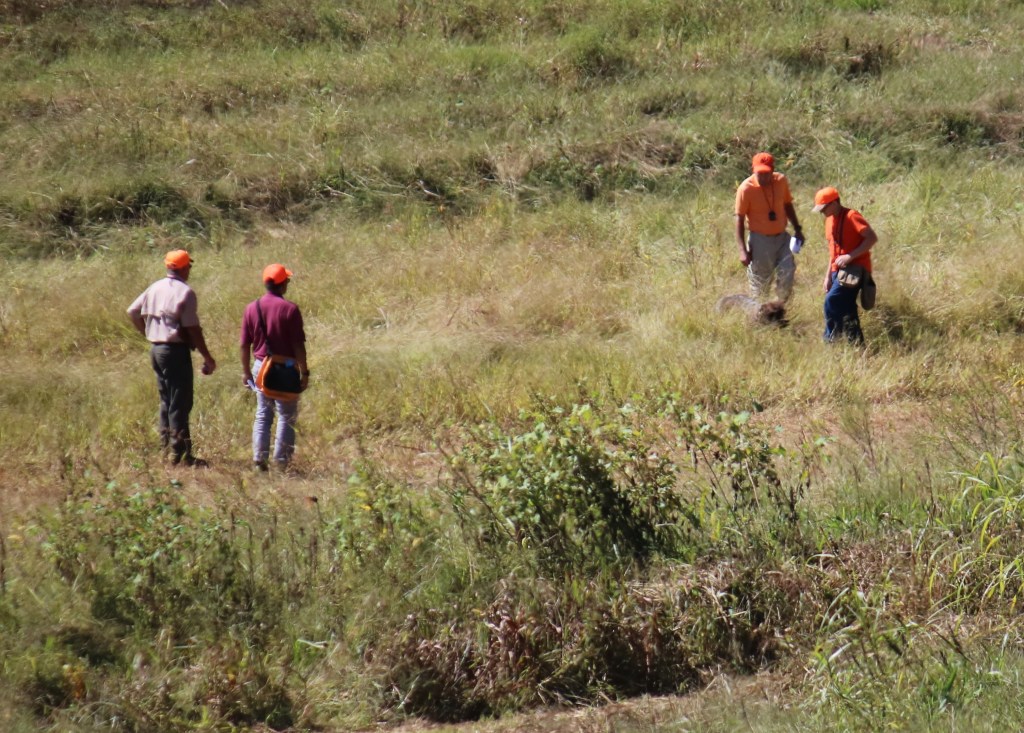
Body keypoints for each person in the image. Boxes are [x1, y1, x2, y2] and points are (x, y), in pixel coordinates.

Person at [127, 249, 217, 466]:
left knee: (166, 400)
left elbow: (132, 311)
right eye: (189, 267)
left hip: (156, 351)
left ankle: (166, 448)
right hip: (175, 352)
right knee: (180, 400)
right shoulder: (185, 292)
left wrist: (149, 333)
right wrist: (207, 356)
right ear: (185, 267)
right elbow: (192, 328)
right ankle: (181, 454)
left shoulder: (155, 287)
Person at [240, 263, 309, 471]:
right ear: (282, 284)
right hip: (286, 367)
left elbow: (244, 344)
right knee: (286, 416)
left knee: (263, 413)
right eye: (286, 280)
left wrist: (245, 371)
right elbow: (298, 345)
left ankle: (259, 460)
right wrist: (304, 371)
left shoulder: (252, 308)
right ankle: (282, 463)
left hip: (260, 366)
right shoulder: (290, 309)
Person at [735, 152, 804, 302]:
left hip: (782, 238)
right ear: (753, 170)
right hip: (760, 241)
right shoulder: (745, 189)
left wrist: (798, 229)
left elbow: (787, 205)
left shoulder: (781, 181)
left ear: (772, 170)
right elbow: (739, 219)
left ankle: (781, 310)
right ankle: (759, 318)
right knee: (761, 284)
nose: (763, 177)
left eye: (766, 173)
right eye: (759, 173)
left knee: (788, 273)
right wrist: (742, 250)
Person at [813, 186, 878, 344]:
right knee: (848, 309)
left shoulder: (852, 216)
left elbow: (871, 238)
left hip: (855, 270)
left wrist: (850, 256)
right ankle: (856, 344)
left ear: (834, 203)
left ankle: (831, 340)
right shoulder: (829, 221)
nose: (822, 212)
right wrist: (827, 277)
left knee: (831, 301)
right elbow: (832, 252)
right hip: (838, 272)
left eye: (824, 208)